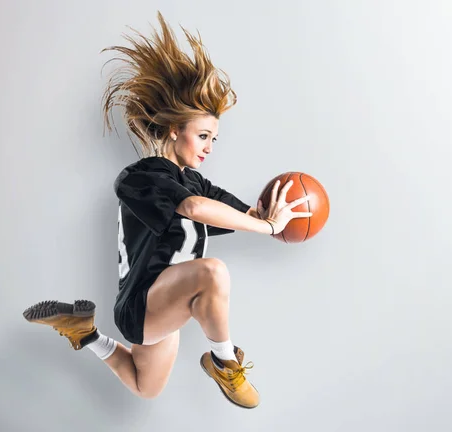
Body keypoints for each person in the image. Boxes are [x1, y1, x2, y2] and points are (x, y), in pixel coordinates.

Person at [22, 11, 312, 409]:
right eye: (203, 135)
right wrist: (263, 229)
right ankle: (225, 362)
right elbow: (192, 207)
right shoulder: (140, 176)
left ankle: (84, 332)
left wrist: (277, 216)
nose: (210, 146)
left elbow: (241, 214)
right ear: (175, 129)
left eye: (214, 137)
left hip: (169, 303)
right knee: (213, 272)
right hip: (142, 303)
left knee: (146, 386)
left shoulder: (196, 182)